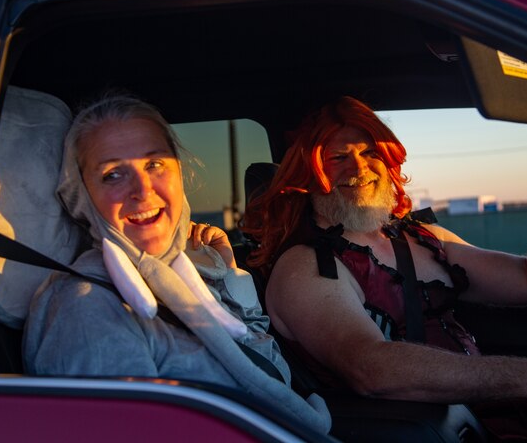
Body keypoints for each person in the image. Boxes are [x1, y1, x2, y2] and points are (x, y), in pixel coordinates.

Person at [242, 96, 527, 438]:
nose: (359, 168)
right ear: (311, 176)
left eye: (370, 152)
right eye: (338, 158)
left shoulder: (419, 238)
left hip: (484, 420)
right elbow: (371, 366)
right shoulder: (306, 267)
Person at [23, 91, 331, 433]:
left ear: (179, 174)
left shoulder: (179, 276)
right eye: (112, 174)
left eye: (154, 164)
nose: (142, 189)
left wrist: (227, 271)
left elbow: (257, 358)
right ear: (83, 196)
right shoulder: (86, 309)